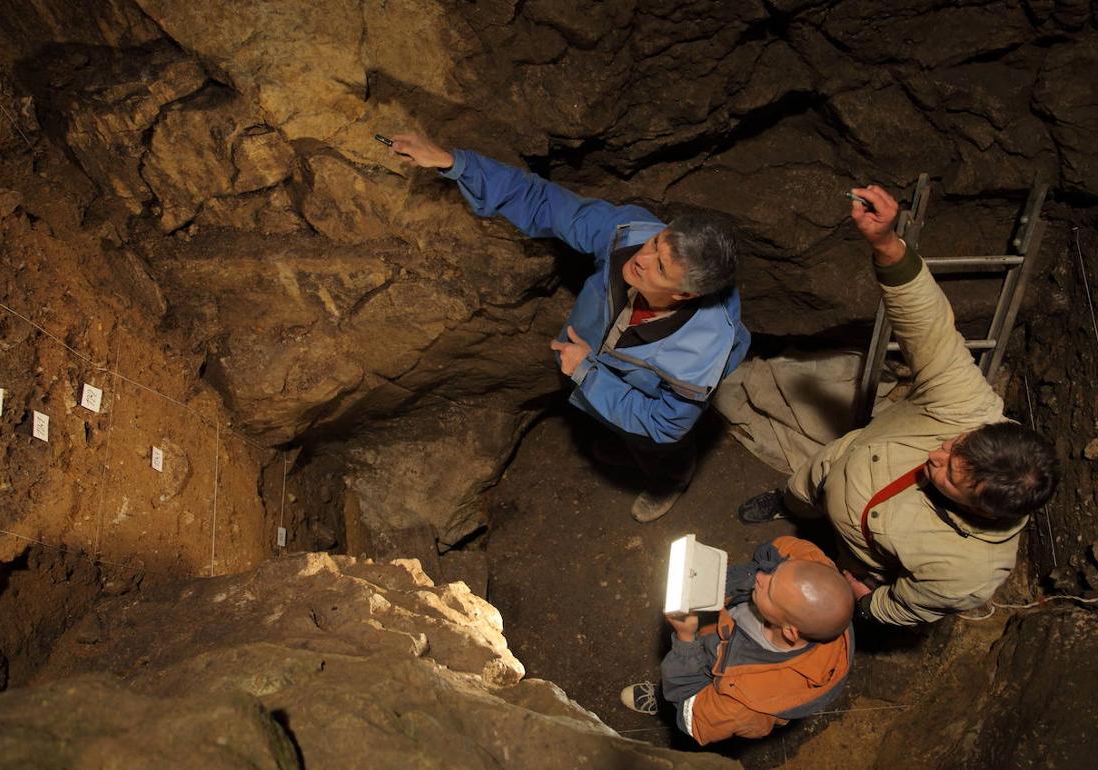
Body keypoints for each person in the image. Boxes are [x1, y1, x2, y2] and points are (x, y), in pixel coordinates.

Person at [741, 184, 1060, 627]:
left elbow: (909, 605)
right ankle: (790, 504)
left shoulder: (968, 571)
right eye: (957, 445)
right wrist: (888, 246)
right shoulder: (968, 406)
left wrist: (864, 604)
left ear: (982, 510)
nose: (937, 455)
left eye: (950, 473)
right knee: (802, 488)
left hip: (857, 556)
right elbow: (929, 327)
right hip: (833, 466)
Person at [390, 133, 750, 522]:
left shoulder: (698, 356)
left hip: (643, 391)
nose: (642, 258)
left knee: (656, 442)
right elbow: (545, 201)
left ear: (683, 295)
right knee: (614, 416)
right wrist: (453, 163)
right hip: (599, 357)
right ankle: (626, 440)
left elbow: (664, 423)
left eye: (660, 267)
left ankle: (668, 478)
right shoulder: (629, 235)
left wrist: (586, 371)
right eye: (657, 244)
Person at [621, 536, 854, 744]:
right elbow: (775, 548)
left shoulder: (746, 705)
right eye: (777, 572)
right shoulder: (812, 567)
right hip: (719, 631)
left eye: (771, 589)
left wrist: (686, 639)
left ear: (790, 631)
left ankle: (662, 704)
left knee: (676, 700)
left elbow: (692, 719)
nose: (761, 576)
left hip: (703, 685)